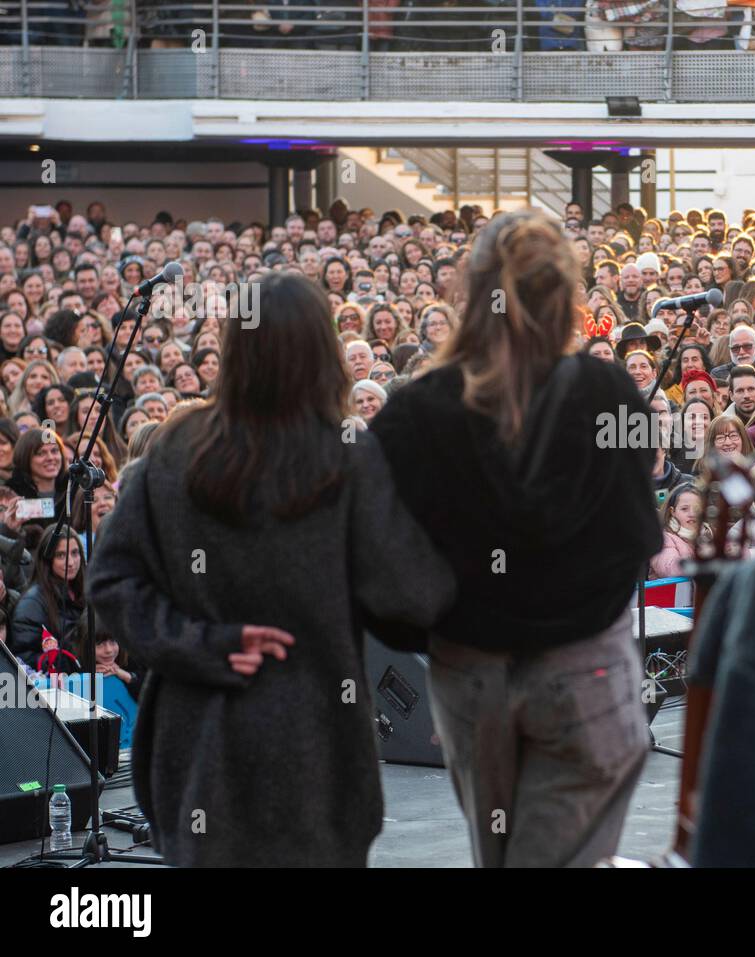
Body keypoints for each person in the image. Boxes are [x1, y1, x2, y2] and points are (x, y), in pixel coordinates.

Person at [87, 272, 456, 868]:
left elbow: (111, 583)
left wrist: (202, 643)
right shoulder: (348, 459)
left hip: (198, 752)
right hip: (315, 752)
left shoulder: (176, 449)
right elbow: (410, 605)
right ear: (322, 352)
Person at [367, 211, 660, 868]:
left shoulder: (412, 412)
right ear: (567, 297)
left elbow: (378, 566)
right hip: (583, 670)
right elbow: (640, 533)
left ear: (468, 295)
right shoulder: (608, 390)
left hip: (469, 678)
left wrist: (445, 633)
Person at [10, 525, 85, 670]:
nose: (71, 563)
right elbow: (23, 658)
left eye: (75, 553)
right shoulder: (32, 603)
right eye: (61, 555)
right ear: (47, 560)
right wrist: (78, 660)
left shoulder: (87, 591)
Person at [650, 482, 702, 578]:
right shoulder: (663, 538)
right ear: (672, 512)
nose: (692, 514)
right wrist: (703, 562)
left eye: (697, 509)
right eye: (684, 509)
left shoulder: (710, 535)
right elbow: (669, 568)